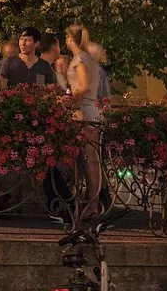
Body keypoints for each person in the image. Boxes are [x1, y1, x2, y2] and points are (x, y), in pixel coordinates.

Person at [66, 24, 102, 217]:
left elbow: (84, 86)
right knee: (92, 159)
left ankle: (92, 204)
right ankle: (92, 201)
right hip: (91, 110)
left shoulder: (80, 58)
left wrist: (71, 102)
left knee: (89, 160)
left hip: (84, 112)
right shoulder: (88, 58)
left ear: (70, 39)